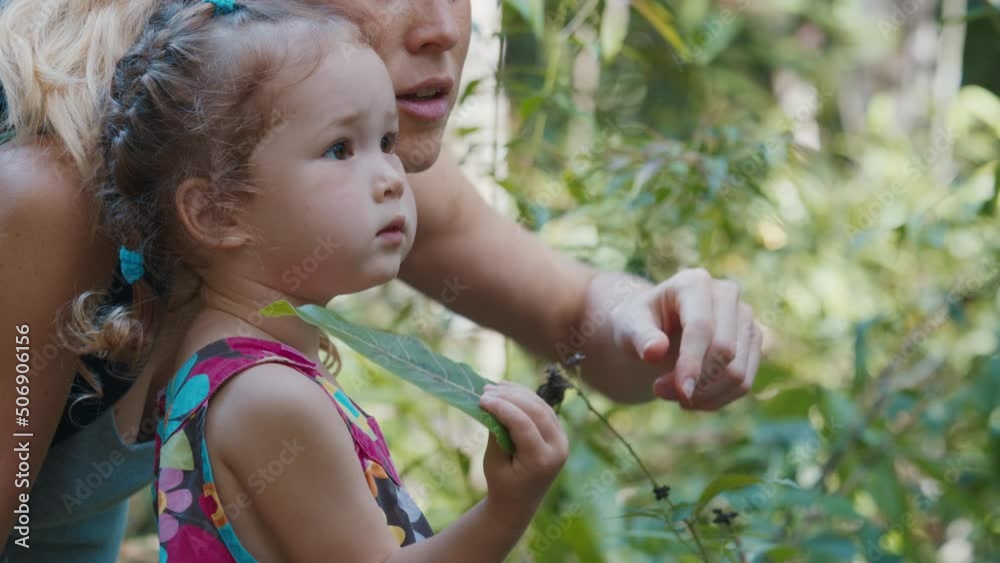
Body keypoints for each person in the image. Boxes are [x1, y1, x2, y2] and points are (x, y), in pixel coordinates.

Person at [0, 0, 762, 560]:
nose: (443, 29)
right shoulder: (50, 195)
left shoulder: (346, 159)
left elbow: (571, 315)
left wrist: (655, 318)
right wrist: (506, 510)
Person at [71, 1, 569, 560]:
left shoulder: (239, 364)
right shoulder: (268, 396)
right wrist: (507, 508)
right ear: (216, 213)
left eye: (386, 142)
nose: (390, 179)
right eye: (340, 149)